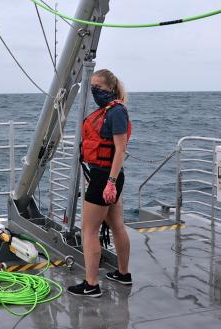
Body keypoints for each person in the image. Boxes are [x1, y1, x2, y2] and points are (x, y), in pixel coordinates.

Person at [68, 69, 133, 297]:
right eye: (92, 87)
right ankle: (123, 274)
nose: (95, 91)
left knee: (89, 230)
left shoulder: (116, 113)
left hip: (106, 177)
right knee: (116, 226)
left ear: (110, 88)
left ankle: (91, 284)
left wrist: (111, 183)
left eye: (99, 87)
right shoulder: (107, 111)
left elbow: (120, 150)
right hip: (105, 176)